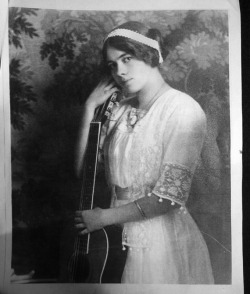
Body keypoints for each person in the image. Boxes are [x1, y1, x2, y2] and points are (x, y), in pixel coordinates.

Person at [74, 21, 214, 284]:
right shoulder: (120, 111)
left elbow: (169, 197)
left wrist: (104, 217)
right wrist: (89, 108)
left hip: (160, 241)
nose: (119, 71)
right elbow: (83, 171)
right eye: (112, 65)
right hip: (112, 237)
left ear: (151, 55)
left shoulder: (182, 109)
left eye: (127, 58)